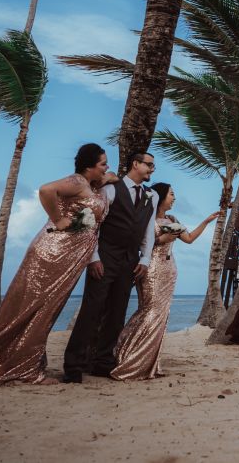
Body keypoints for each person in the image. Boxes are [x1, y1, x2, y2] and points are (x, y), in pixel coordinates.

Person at [0, 143, 111, 387]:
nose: (107, 167)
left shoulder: (90, 185)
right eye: (103, 163)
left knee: (46, 310)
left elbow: (100, 188)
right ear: (88, 166)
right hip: (54, 253)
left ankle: (23, 362)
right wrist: (59, 220)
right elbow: (45, 190)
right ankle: (21, 367)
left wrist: (106, 179)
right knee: (37, 308)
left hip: (71, 257)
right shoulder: (76, 181)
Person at [63, 151, 159, 383]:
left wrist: (144, 259)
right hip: (105, 256)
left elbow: (148, 229)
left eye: (153, 166)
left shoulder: (152, 195)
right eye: (148, 165)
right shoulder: (110, 189)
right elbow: (94, 226)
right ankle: (73, 365)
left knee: (117, 313)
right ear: (135, 164)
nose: (152, 170)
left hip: (130, 261)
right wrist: (93, 257)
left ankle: (103, 363)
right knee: (91, 310)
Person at [111, 184, 218, 380]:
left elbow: (190, 238)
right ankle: (127, 353)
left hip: (169, 270)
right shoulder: (147, 218)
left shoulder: (173, 220)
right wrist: (162, 238)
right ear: (160, 197)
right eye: (172, 194)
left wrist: (206, 221)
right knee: (149, 312)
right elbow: (139, 243)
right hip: (150, 268)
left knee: (162, 317)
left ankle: (149, 364)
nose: (174, 198)